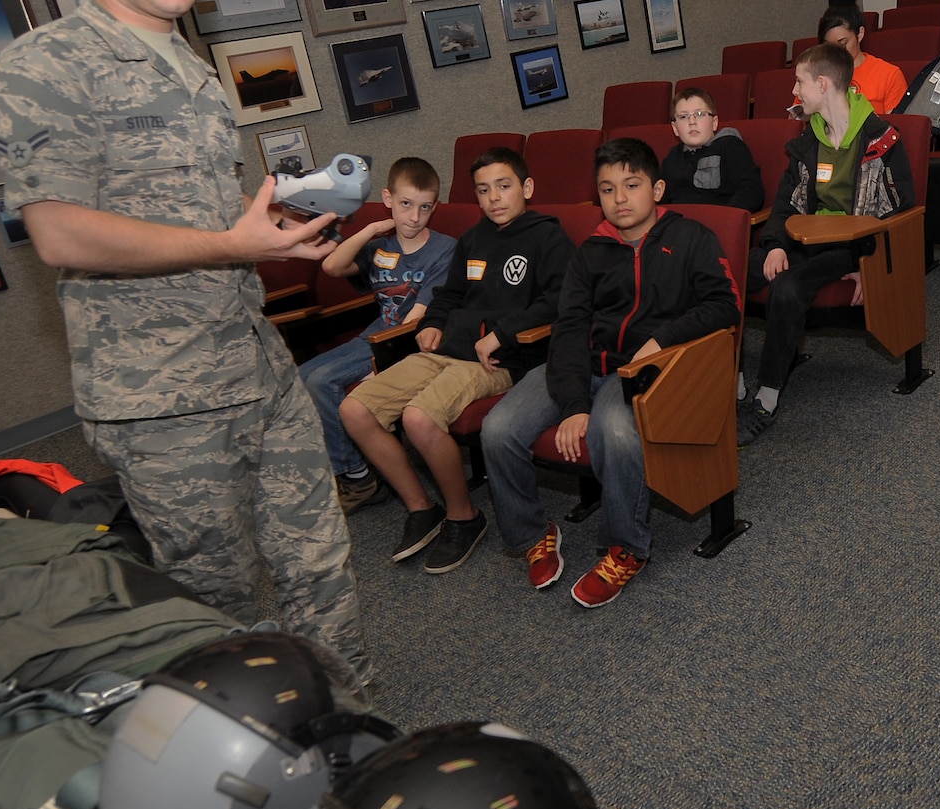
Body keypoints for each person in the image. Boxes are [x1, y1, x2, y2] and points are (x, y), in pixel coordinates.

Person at [0, 0, 367, 681]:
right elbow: (60, 234)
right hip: (162, 399)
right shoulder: (45, 68)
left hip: (254, 360)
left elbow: (192, 220)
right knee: (215, 606)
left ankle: (349, 722)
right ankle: (253, 759)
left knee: (321, 564)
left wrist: (274, 231)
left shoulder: (186, 61)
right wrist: (234, 244)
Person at [481, 138, 740, 608]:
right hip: (582, 364)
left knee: (616, 431)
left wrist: (661, 340)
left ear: (657, 189)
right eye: (607, 190)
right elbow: (571, 327)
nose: (619, 199)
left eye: (631, 185)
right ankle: (533, 533)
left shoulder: (691, 239)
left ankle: (626, 547)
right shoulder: (592, 251)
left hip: (643, 371)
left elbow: (726, 307)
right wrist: (573, 404)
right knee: (497, 429)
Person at [338, 148, 570, 575]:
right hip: (447, 348)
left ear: (527, 188)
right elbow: (449, 294)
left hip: (498, 359)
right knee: (355, 409)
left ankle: (464, 516)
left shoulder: (547, 237)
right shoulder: (474, 238)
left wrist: (504, 333)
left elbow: (558, 301)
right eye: (483, 190)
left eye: (504, 186)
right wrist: (435, 322)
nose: (494, 198)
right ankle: (421, 507)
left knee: (418, 419)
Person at [739, 43, 916, 446]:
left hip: (853, 248)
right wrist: (775, 245)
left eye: (799, 82)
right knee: (727, 269)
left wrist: (866, 263)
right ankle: (729, 381)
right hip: (807, 240)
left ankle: (765, 400)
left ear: (822, 84)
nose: (795, 92)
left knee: (787, 287)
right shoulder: (807, 142)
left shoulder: (881, 139)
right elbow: (785, 203)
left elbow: (902, 211)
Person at [304, 157, 455, 515]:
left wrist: (382, 364)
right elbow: (331, 266)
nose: (414, 217)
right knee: (302, 376)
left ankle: (357, 477)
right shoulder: (380, 246)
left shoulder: (444, 250)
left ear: (435, 206)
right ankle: (356, 465)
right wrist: (368, 232)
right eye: (405, 205)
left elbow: (416, 321)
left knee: (323, 381)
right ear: (388, 199)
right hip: (372, 335)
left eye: (424, 207)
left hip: (399, 343)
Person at [657, 86, 765, 211]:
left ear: (714, 122)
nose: (692, 122)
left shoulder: (729, 146)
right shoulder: (673, 157)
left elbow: (752, 191)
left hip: (716, 222)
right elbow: (660, 198)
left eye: (699, 114)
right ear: (675, 128)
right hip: (677, 223)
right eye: (683, 117)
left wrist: (725, 218)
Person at [819, 6, 907, 114]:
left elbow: (897, 125)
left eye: (842, 44)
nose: (836, 52)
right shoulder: (815, 74)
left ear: (860, 34)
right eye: (829, 47)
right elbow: (798, 121)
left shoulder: (889, 74)